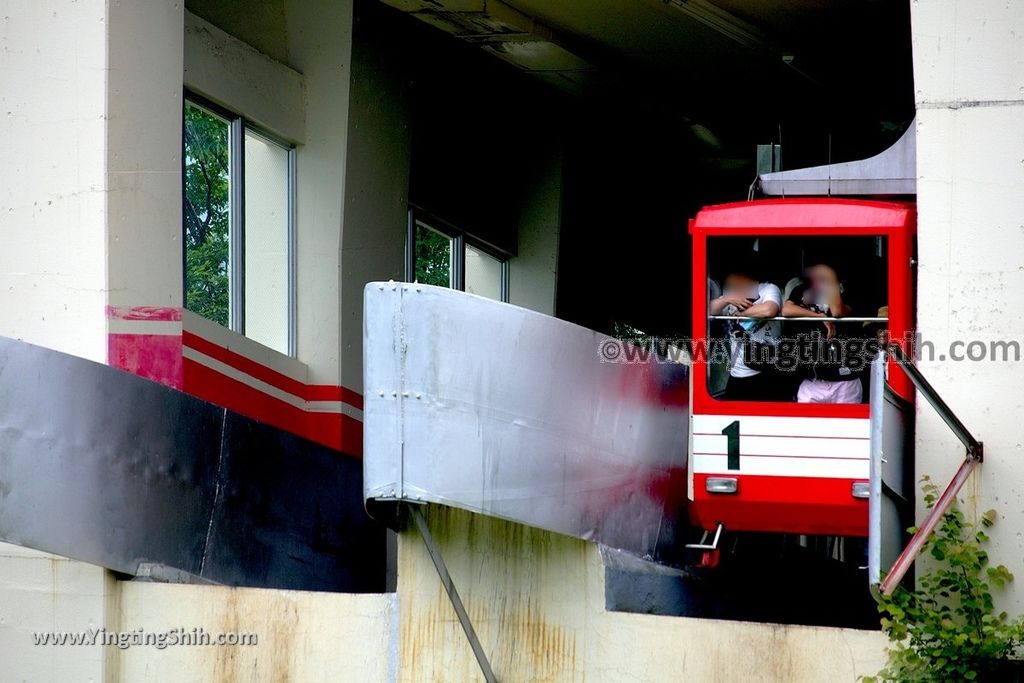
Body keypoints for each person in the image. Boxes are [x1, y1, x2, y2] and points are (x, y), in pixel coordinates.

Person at [782, 260, 868, 404]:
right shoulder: (803, 289)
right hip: (812, 379)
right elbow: (786, 310)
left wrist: (831, 283)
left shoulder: (846, 288)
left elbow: (837, 311)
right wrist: (818, 317)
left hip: (844, 379)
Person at [709, 260, 785, 401]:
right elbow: (707, 310)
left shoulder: (767, 288)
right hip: (738, 372)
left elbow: (769, 310)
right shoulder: (731, 295)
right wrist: (727, 299)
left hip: (768, 368)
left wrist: (740, 313)